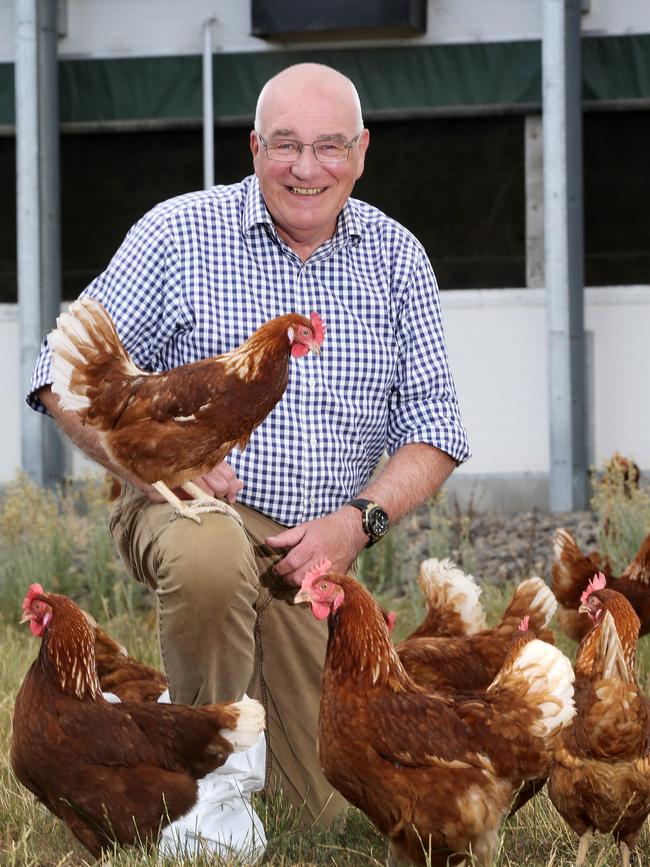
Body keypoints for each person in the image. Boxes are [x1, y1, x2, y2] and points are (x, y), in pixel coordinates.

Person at [28, 63, 470, 831]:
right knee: (209, 556)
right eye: (285, 145)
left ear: (361, 151)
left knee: (317, 815)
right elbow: (55, 373)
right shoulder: (178, 233)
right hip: (180, 503)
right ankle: (204, 792)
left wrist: (355, 521)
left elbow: (437, 429)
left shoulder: (398, 260)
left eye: (329, 146)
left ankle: (179, 713)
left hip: (311, 547)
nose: (306, 168)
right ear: (253, 146)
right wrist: (139, 460)